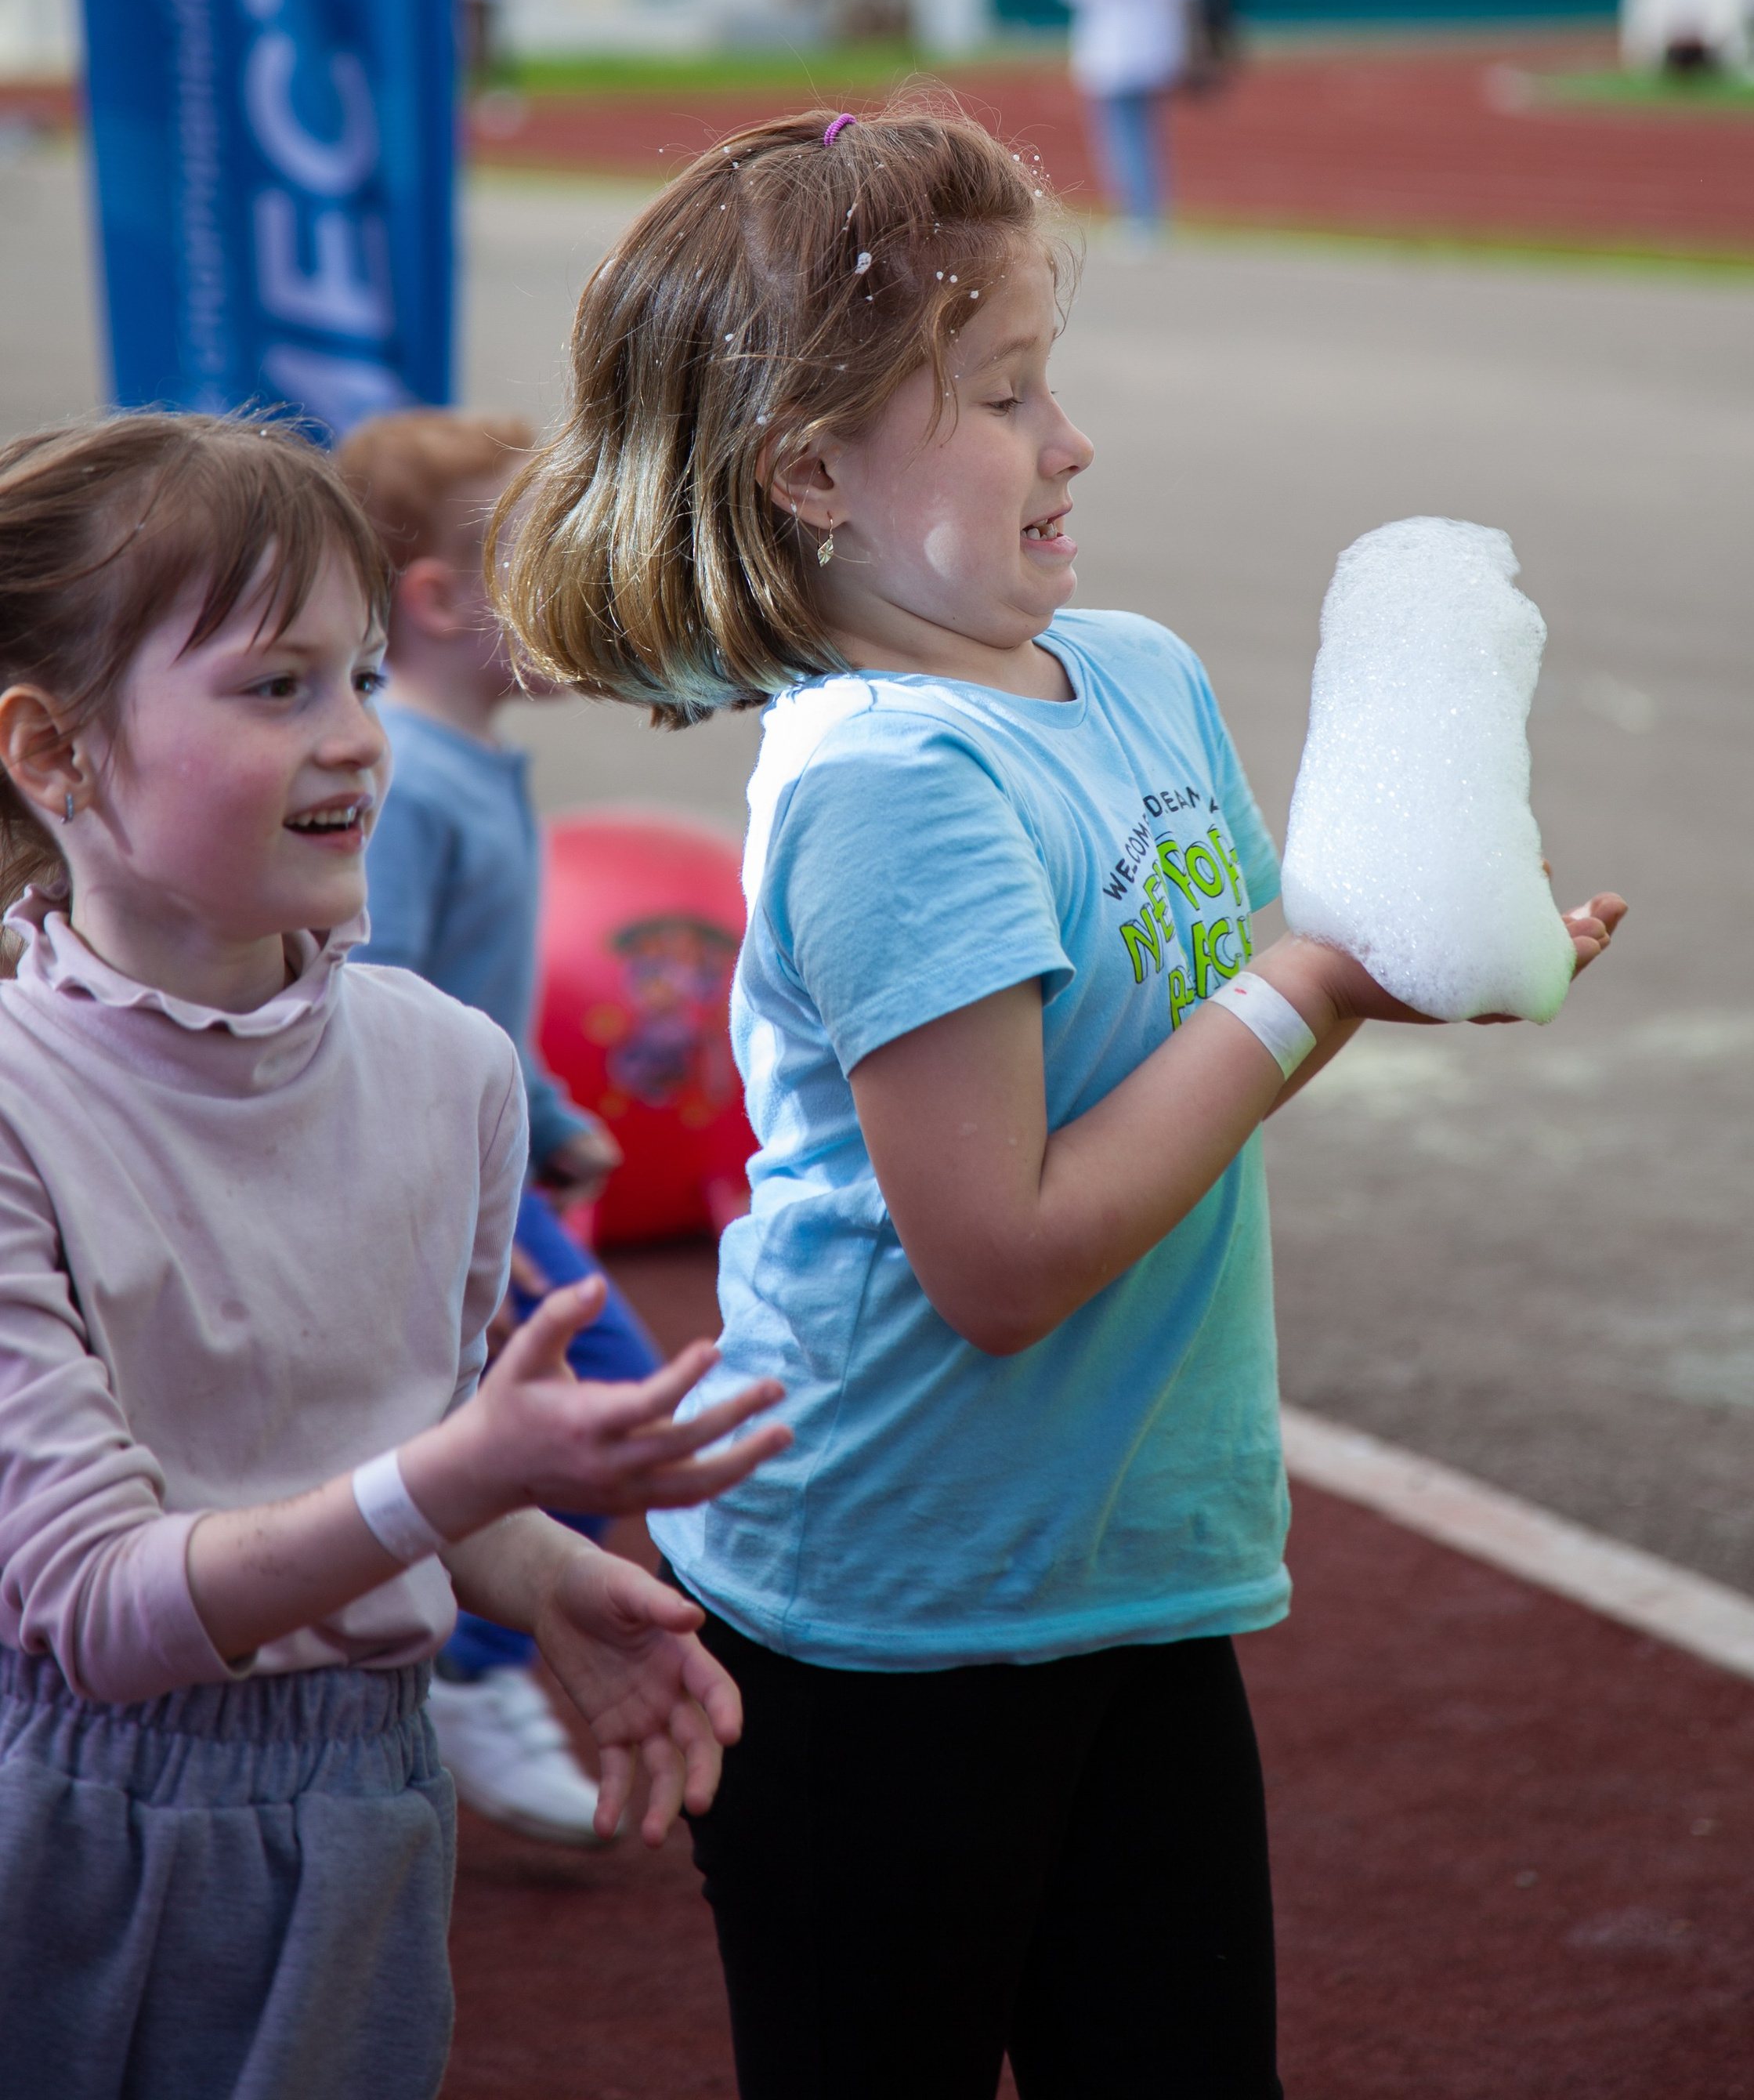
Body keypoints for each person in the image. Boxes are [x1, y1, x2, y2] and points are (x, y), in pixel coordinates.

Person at [492, 103, 1627, 2100]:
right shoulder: (887, 789)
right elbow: (1001, 1258)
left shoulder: (1133, 674)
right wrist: (1307, 980)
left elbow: (1214, 1032)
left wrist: (1390, 959)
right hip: (885, 1609)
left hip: (1127, 1560)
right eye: (1004, 392)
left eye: (1050, 378)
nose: (1070, 437)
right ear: (811, 469)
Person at [0, 412, 790, 2099]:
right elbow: (100, 1613)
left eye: (361, 675)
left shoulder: (453, 1069)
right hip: (61, 1834)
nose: (359, 738)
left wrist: (540, 1571)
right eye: (274, 687)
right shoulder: (16, 1101)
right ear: (55, 757)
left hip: (364, 1815)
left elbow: (389, 1460)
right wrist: (456, 1492)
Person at [337, 406, 654, 1848]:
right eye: (554, 558)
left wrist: (549, 1112)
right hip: (435, 1177)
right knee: (600, 1399)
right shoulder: (405, 775)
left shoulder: (466, 761)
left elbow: (470, 1009)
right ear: (443, 599)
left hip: (486, 1154)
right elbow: (375, 1002)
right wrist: (479, 1158)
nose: (593, 583)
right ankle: (463, 1671)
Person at [1048, 0, 1202, 241]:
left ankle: (1145, 213)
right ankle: (1137, 209)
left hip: (1150, 41)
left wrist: (1189, 40)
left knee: (1138, 130)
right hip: (1105, 45)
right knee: (1117, 132)